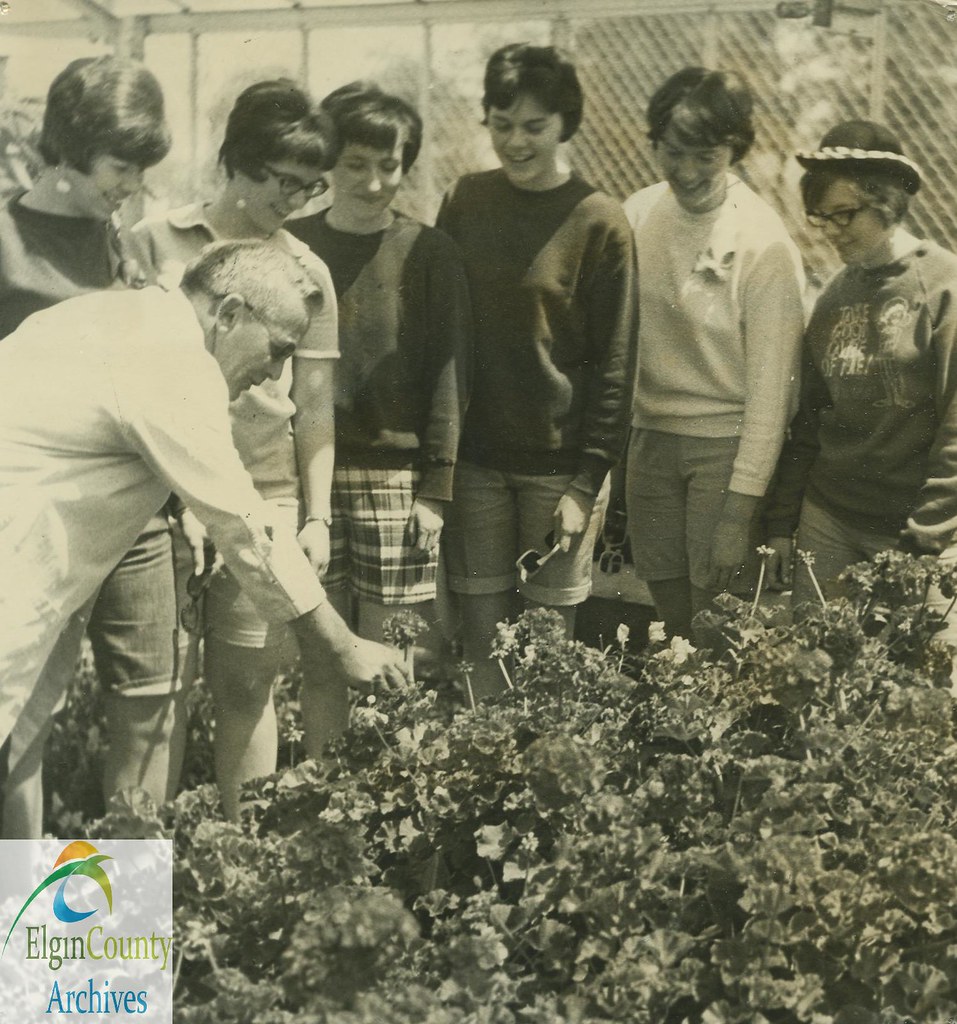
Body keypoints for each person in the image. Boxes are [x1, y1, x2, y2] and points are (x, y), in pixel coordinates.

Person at [0, 239, 408, 768]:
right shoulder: (174, 360)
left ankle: (78, 855)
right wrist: (343, 646)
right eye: (279, 349)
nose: (275, 375)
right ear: (231, 313)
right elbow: (244, 524)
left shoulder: (121, 314)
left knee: (17, 746)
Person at [134, 80, 340, 819]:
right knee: (156, 696)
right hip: (159, 503)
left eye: (312, 186)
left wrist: (314, 519)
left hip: (262, 497)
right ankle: (147, 880)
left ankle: (238, 861)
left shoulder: (306, 272)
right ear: (239, 162)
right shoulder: (155, 240)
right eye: (286, 182)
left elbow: (312, 408)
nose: (298, 200)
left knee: (250, 684)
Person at [0, 56, 177, 838]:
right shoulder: (6, 241)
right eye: (118, 167)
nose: (130, 187)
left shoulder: (121, 246)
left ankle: (109, 948)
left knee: (146, 716)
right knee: (21, 734)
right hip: (36, 530)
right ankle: (25, 943)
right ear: (67, 149)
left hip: (134, 524)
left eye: (141, 171)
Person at [436, 43, 638, 698]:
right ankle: (480, 793)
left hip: (559, 476)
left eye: (533, 126)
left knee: (549, 669)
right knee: (485, 659)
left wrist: (585, 485)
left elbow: (615, 363)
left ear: (564, 123)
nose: (514, 141)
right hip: (477, 467)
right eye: (501, 124)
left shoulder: (599, 219)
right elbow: (442, 332)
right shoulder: (465, 201)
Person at [622, 67, 805, 644]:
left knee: (719, 628)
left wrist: (736, 513)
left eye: (706, 155)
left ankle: (721, 737)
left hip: (725, 452)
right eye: (672, 152)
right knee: (672, 622)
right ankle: (684, 736)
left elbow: (773, 397)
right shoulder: (639, 213)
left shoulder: (763, 240)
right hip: (649, 441)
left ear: (736, 147)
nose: (687, 172)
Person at [286, 81, 472, 651]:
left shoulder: (431, 253)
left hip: (395, 477)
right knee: (323, 655)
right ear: (328, 164)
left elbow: (450, 377)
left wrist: (435, 489)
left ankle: (388, 748)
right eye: (354, 163)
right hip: (304, 475)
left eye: (388, 165)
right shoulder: (293, 244)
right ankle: (322, 748)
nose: (372, 182)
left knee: (392, 657)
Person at [764, 121, 957, 644]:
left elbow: (955, 435)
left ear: (888, 200)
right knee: (816, 677)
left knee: (921, 695)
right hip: (831, 518)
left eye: (844, 214)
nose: (831, 231)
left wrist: (924, 543)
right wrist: (782, 525)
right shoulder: (833, 295)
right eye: (821, 218)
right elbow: (808, 421)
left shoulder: (942, 288)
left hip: (920, 533)